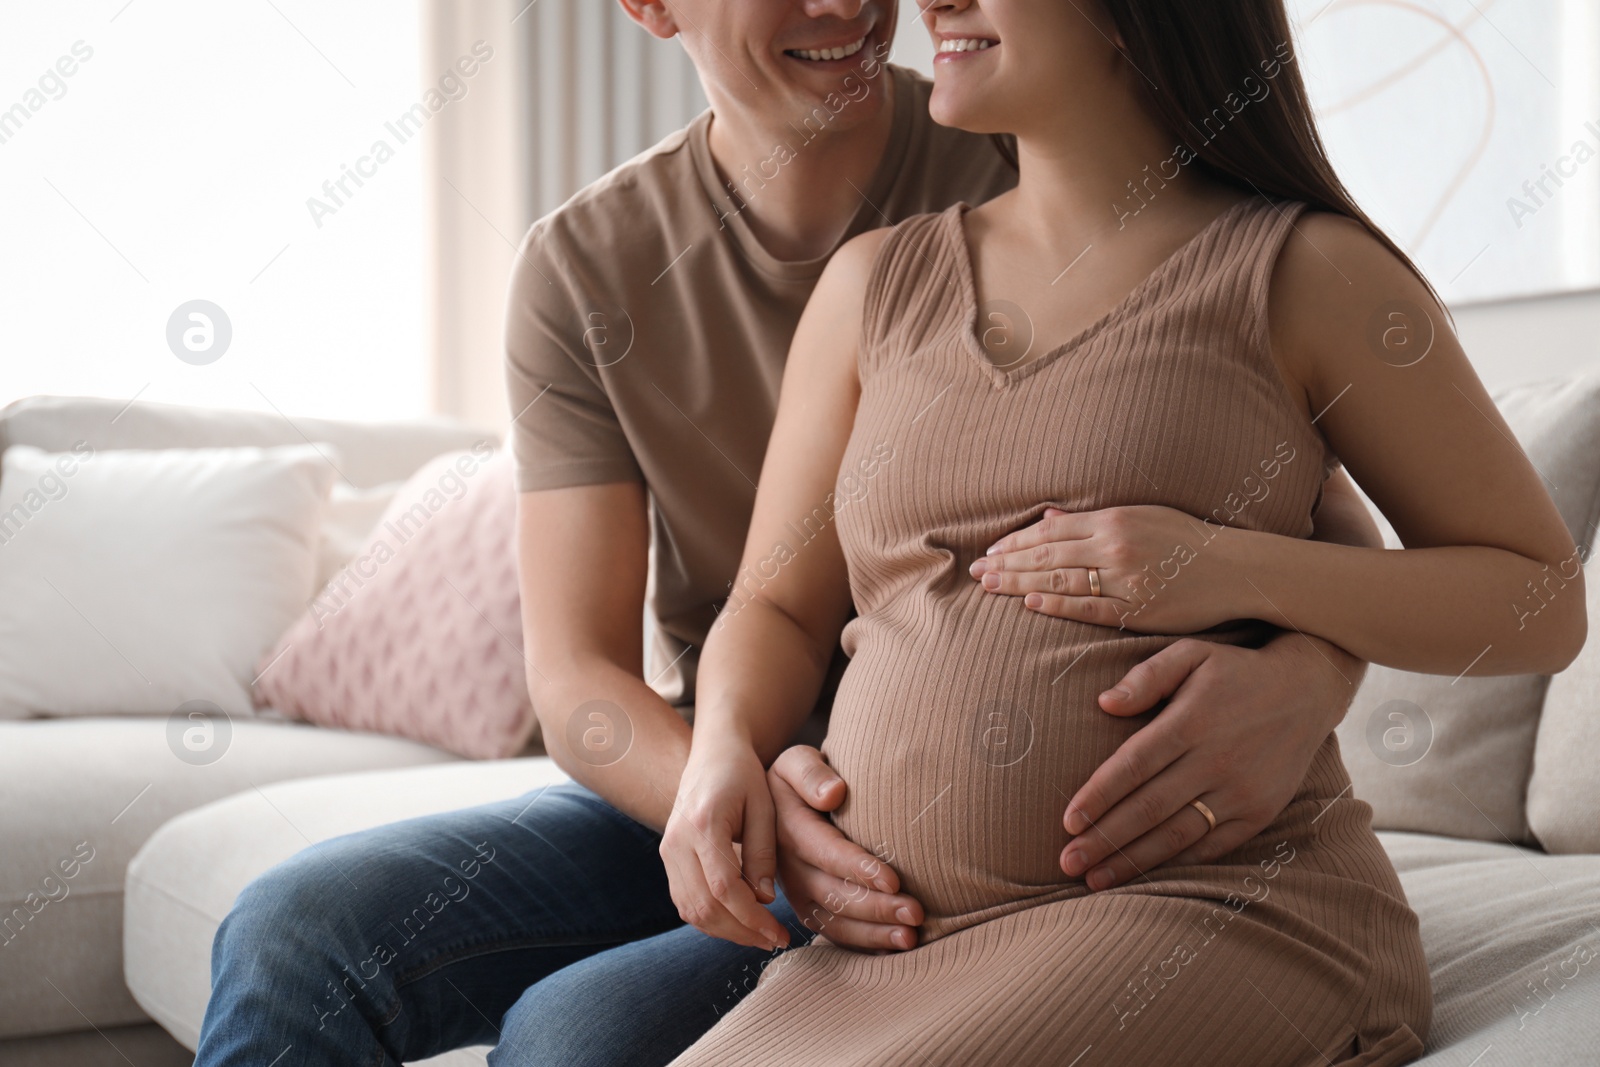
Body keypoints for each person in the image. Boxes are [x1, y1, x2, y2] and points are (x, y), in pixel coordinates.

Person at [192, 3, 1391, 1065]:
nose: (849, 4)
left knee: (570, 1037)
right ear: (650, 6)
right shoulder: (584, 266)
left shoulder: (1041, 138)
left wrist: (1304, 676)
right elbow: (578, 676)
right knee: (294, 930)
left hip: (958, 830)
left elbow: (1310, 512)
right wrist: (735, 800)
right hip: (721, 771)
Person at [656, 0, 1585, 1064]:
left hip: (1205, 909)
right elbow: (773, 602)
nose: (933, 2)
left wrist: (1227, 567)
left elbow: (1538, 600)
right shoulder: (871, 287)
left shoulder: (1307, 273)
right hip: (884, 950)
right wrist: (724, 748)